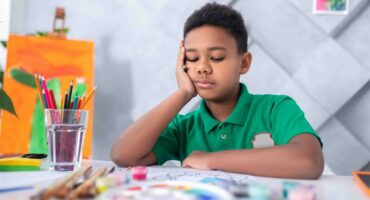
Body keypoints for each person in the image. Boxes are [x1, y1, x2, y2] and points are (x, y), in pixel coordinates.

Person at [111, 2, 324, 179]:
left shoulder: (275, 109)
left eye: (216, 58)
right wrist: (183, 93)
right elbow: (123, 155)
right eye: (192, 59)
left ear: (244, 63)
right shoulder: (184, 128)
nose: (202, 67)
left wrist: (210, 159)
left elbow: (309, 161)